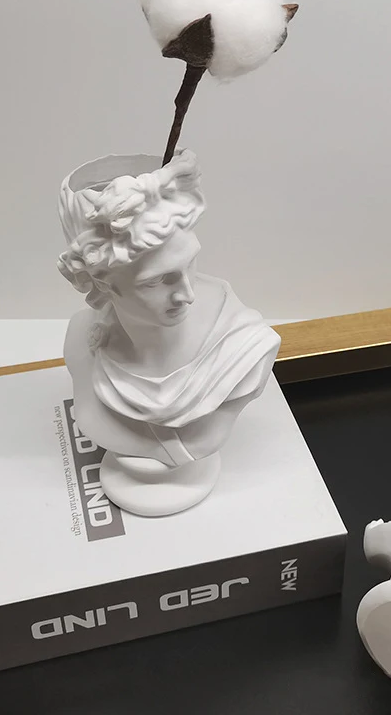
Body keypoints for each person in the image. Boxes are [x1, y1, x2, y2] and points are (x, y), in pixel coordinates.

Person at [56, 149, 280, 512]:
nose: (187, 293)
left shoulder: (244, 347)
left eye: (190, 264)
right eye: (157, 281)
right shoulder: (81, 341)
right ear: (102, 282)